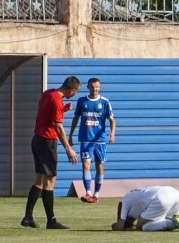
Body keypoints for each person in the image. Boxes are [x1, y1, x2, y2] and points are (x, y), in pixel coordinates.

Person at [22, 76, 80, 229]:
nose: (74, 94)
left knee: (40, 180)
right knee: (50, 180)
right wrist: (68, 148)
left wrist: (63, 109)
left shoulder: (48, 94)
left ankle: (28, 217)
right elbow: (58, 127)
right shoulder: (56, 100)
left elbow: (48, 113)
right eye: (75, 91)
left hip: (37, 139)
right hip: (47, 142)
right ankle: (51, 220)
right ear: (71, 90)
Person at [70, 77, 116, 203]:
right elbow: (76, 118)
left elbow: (112, 120)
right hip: (86, 139)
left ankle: (96, 194)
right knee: (85, 164)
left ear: (99, 87)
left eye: (96, 87)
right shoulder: (82, 101)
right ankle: (88, 193)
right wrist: (70, 135)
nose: (94, 89)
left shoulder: (105, 102)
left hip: (100, 140)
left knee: (99, 166)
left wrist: (112, 134)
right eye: (92, 86)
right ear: (88, 87)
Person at [111, 185, 179, 231]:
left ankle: (173, 223)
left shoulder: (123, 202)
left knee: (142, 227)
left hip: (161, 197)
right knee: (162, 224)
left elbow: (119, 226)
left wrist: (114, 226)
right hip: (176, 194)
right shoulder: (132, 199)